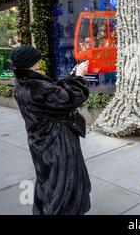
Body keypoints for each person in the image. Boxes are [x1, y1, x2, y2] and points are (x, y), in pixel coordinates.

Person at [10, 45, 91, 215]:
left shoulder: (23, 83)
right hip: (56, 143)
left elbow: (54, 94)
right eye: (37, 59)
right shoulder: (35, 86)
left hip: (40, 142)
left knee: (48, 182)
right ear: (30, 63)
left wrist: (70, 77)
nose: (40, 61)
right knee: (64, 186)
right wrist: (79, 78)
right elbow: (70, 98)